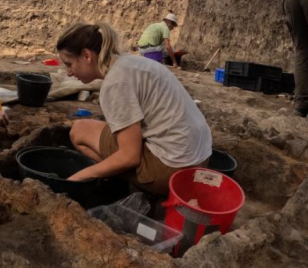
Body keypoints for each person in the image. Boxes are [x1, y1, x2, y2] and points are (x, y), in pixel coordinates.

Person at [56, 22, 212, 196]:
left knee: (79, 131)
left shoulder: (115, 83)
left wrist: (76, 178)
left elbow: (129, 156)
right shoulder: (130, 62)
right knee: (105, 130)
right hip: (200, 162)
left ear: (86, 55)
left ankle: (120, 186)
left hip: (173, 172)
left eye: (69, 64)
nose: (68, 72)